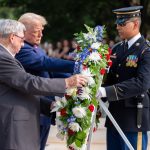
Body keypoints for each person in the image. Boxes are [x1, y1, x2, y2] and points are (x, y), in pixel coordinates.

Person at [0, 19, 87, 150]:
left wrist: (49, 105)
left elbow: (19, 90)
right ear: (12, 37)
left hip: (21, 125)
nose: (23, 45)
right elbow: (28, 83)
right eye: (21, 40)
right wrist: (67, 82)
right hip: (13, 127)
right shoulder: (2, 57)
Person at [96, 6, 150, 150]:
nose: (118, 27)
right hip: (114, 115)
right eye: (117, 23)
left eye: (122, 23)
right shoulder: (117, 49)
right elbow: (111, 78)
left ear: (136, 24)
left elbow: (142, 83)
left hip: (133, 118)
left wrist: (106, 91)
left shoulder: (145, 50)